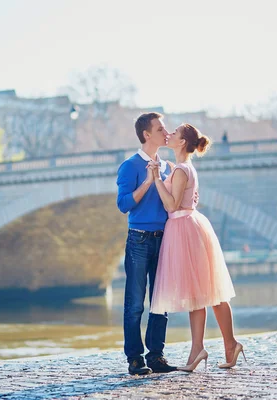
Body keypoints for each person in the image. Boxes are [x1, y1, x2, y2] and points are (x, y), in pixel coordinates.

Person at [148, 123, 246, 372]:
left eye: (174, 133)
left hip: (183, 229)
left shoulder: (181, 170)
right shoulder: (182, 168)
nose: (168, 134)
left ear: (182, 143)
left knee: (206, 292)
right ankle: (205, 348)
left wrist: (157, 179)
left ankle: (220, 345)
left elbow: (171, 205)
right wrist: (167, 174)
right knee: (202, 293)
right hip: (189, 227)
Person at [116, 112, 177, 375]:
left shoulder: (168, 167)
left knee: (161, 301)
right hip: (139, 239)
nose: (166, 132)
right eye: (160, 129)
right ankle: (134, 359)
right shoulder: (130, 166)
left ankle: (156, 356)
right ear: (146, 135)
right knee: (135, 304)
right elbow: (124, 204)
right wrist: (148, 182)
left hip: (164, 239)